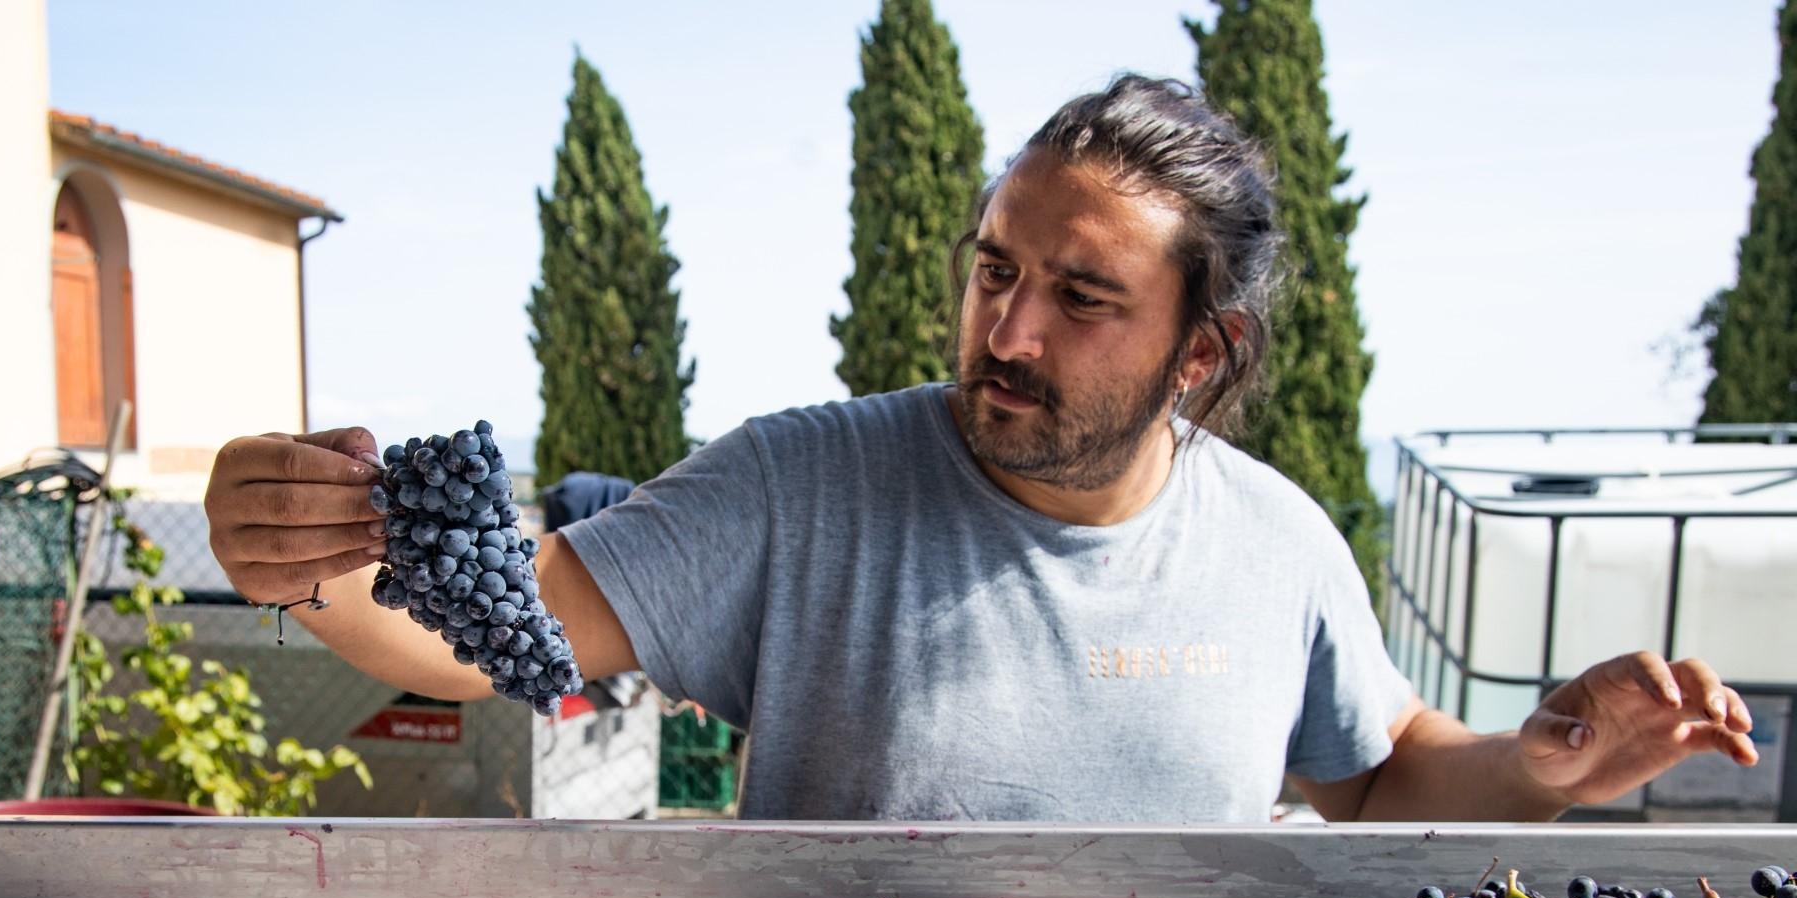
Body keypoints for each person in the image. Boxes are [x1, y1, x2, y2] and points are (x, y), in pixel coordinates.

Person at [204, 75, 1757, 823]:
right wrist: (313, 555)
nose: (1005, 331)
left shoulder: (1279, 544)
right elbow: (506, 630)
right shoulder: (804, 484)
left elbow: (1379, 776)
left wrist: (1543, 763)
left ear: (1198, 352)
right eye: (994, 269)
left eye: (1081, 298)